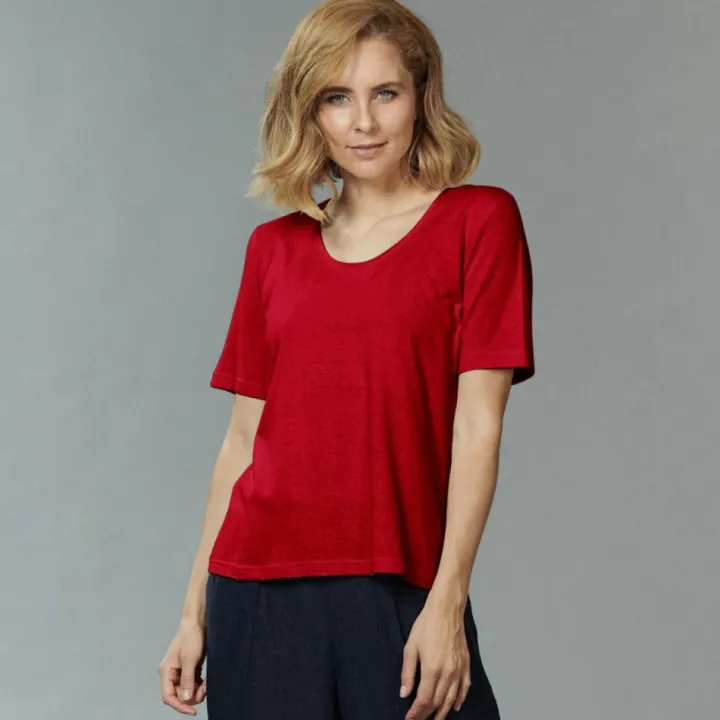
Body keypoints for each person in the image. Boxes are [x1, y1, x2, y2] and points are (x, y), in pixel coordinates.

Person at [158, 1, 535, 718]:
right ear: (311, 111)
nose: (363, 122)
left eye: (384, 93)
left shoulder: (478, 222)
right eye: (337, 97)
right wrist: (191, 611)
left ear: (421, 96)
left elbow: (477, 427)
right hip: (256, 594)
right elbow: (242, 442)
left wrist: (447, 600)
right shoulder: (274, 250)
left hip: (398, 583)